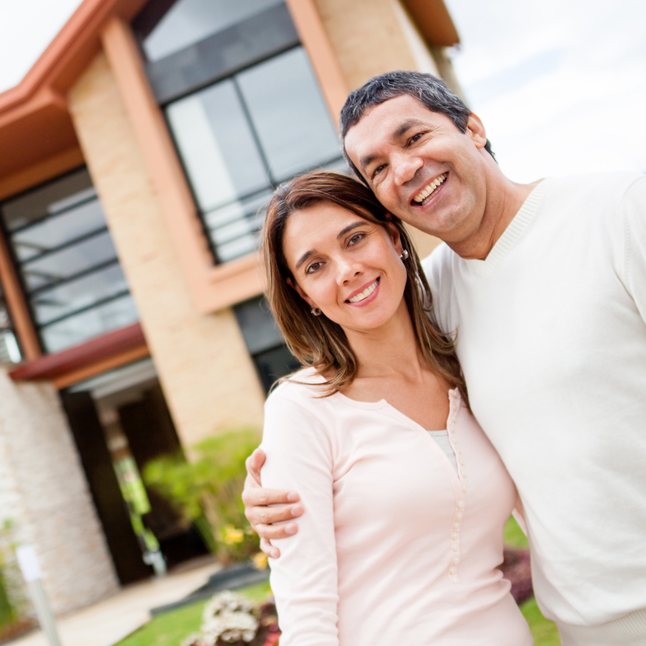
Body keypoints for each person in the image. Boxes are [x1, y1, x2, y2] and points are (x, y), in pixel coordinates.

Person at [243, 71, 646, 645]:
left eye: (413, 138)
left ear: (474, 128)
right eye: (377, 167)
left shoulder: (618, 212)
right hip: (587, 624)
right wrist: (277, 488)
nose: (404, 169)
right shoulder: (432, 301)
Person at [258, 171, 531, 645]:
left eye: (355, 238)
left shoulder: (471, 370)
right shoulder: (301, 410)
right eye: (315, 266)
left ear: (393, 234)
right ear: (303, 294)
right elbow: (305, 610)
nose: (346, 270)